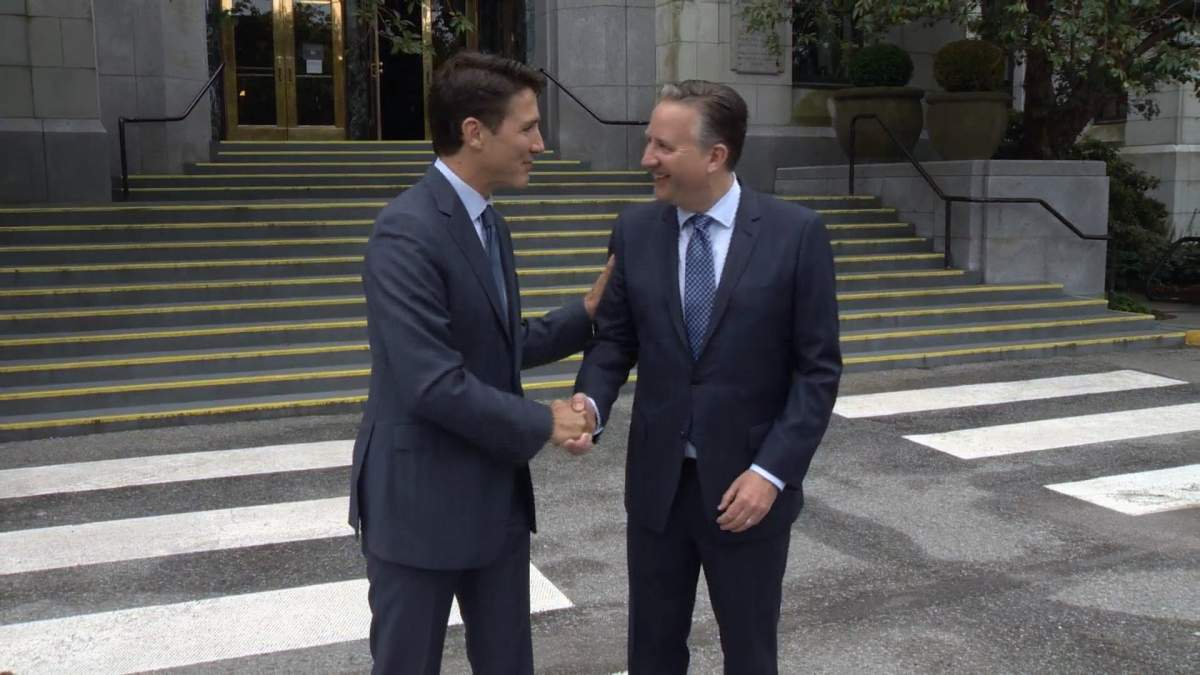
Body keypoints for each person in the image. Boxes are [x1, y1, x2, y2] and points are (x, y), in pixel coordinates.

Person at [348, 51, 610, 675]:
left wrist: (587, 310)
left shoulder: (490, 224)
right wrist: (543, 421)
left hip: (493, 501)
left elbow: (497, 341)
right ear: (474, 131)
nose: (540, 144)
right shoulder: (405, 232)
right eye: (527, 128)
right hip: (419, 506)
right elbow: (431, 382)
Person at [570, 80, 842, 674]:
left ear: (714, 156)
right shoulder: (636, 230)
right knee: (653, 651)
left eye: (663, 147)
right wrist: (591, 402)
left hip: (748, 491)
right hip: (657, 488)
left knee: (748, 652)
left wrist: (770, 474)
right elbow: (616, 340)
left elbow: (817, 372)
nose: (647, 159)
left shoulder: (795, 234)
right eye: (649, 143)